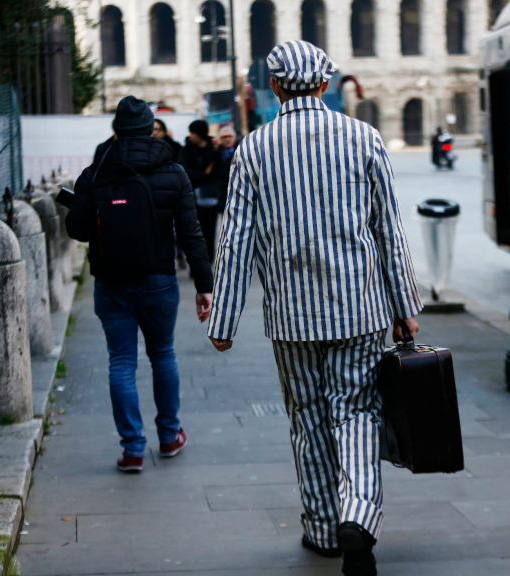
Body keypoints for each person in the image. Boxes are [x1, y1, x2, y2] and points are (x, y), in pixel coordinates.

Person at [207, 41, 422, 576]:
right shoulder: (364, 139)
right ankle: (360, 517)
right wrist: (405, 304)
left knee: (307, 418)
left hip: (291, 317)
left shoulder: (253, 150)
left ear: (275, 87)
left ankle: (325, 527)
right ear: (325, 84)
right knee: (357, 411)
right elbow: (388, 231)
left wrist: (224, 319)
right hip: (360, 310)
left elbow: (236, 240)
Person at [66, 96, 213, 473]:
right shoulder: (174, 172)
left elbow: (77, 230)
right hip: (159, 280)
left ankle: (132, 449)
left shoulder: (96, 172)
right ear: (151, 128)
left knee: (121, 363)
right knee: (163, 354)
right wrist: (203, 284)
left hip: (111, 282)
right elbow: (191, 233)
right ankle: (169, 436)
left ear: (116, 130)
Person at [178, 119, 222, 261]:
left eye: (193, 133)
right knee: (195, 231)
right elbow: (184, 169)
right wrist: (203, 174)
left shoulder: (213, 148)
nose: (190, 136)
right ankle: (197, 260)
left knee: (209, 230)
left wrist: (216, 152)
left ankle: (208, 259)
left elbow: (222, 169)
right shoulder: (186, 150)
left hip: (210, 195)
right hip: (191, 195)